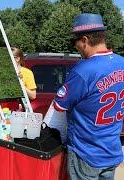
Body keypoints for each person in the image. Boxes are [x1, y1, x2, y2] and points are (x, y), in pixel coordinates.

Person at [53, 13, 124, 179]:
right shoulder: (122, 63)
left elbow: (59, 105)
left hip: (86, 153)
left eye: (75, 42)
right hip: (112, 150)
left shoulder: (83, 70)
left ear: (84, 40)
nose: (76, 47)